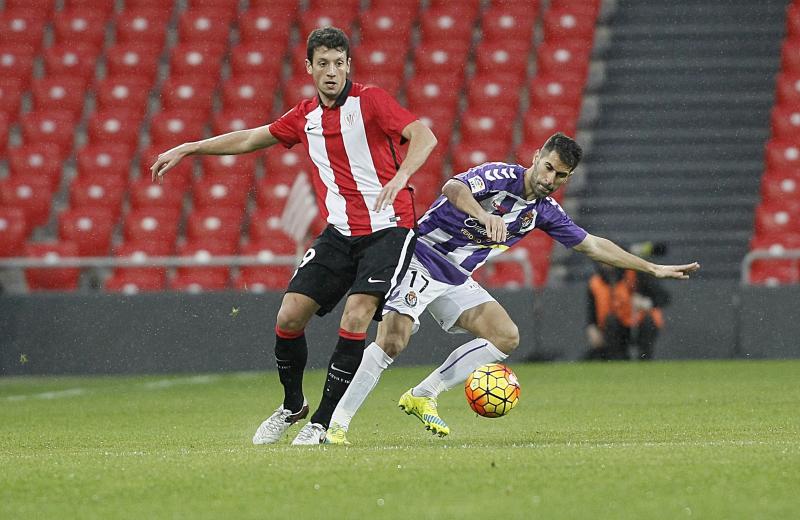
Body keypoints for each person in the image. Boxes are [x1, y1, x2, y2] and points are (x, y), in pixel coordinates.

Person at [150, 27, 437, 445]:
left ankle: (321, 422)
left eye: (339, 63)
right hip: (339, 234)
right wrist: (191, 146)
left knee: (356, 316)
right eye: (323, 63)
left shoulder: (370, 100)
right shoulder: (305, 117)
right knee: (288, 317)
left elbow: (424, 136)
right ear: (309, 68)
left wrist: (403, 176)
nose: (332, 71)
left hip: (389, 228)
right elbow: (250, 138)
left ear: (348, 66)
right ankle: (292, 406)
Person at [322, 132, 700, 445]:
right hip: (422, 253)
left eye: (561, 175)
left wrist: (651, 267)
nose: (550, 179)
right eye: (548, 167)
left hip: (455, 277)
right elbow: (453, 187)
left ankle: (424, 394)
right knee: (393, 341)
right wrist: (484, 215)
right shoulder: (500, 176)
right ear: (536, 157)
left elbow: (593, 245)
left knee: (506, 336)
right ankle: (335, 426)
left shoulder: (545, 211)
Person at [585, 261, 671, 361]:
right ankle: (618, 362)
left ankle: (645, 361)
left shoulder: (637, 273)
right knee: (611, 323)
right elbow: (592, 309)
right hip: (616, 327)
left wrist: (646, 303)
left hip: (640, 323)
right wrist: (592, 326)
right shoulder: (595, 282)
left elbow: (664, 297)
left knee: (648, 323)